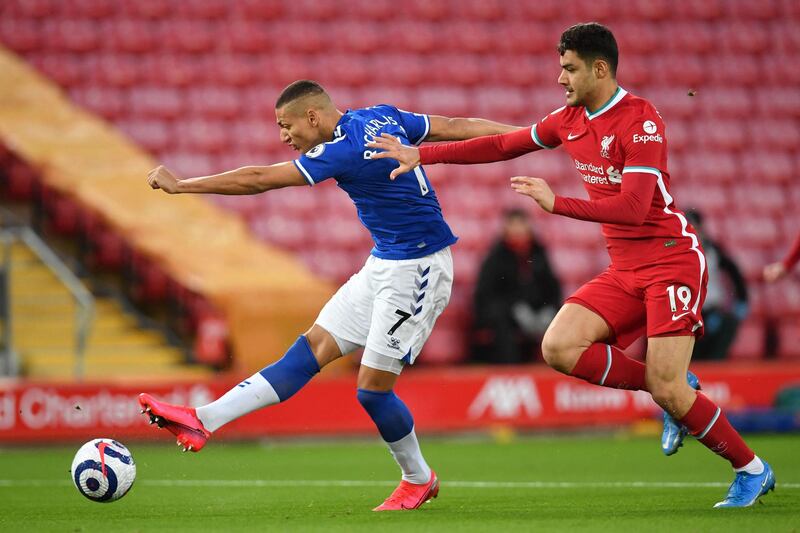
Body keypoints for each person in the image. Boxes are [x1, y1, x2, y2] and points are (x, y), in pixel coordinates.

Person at [368, 23, 774, 508]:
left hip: (671, 261)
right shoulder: (570, 119)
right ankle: (673, 393)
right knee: (559, 347)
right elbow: (502, 145)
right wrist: (423, 155)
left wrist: (555, 202)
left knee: (667, 386)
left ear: (599, 68)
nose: (560, 77)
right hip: (625, 268)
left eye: (569, 68)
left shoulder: (640, 120)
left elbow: (634, 209)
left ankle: (751, 469)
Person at [138, 80, 520, 511]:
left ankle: (418, 479)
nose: (284, 136)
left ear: (313, 117)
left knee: (372, 391)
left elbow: (259, 179)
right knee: (309, 349)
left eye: (286, 126)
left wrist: (183, 185)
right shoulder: (380, 114)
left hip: (419, 270)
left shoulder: (343, 148)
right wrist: (528, 134)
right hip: (383, 264)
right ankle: (202, 420)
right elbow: (454, 125)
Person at [472, 208, 561, 363]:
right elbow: (486, 293)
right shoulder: (496, 256)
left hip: (536, 310)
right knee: (501, 319)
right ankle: (510, 367)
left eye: (521, 225)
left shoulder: (539, 252)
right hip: (506, 311)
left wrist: (549, 308)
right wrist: (516, 308)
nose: (518, 230)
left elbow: (552, 286)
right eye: (514, 225)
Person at [684, 209, 749, 360]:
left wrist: (742, 301)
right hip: (687, 312)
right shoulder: (675, 250)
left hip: (712, 311)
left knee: (728, 323)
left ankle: (716, 367)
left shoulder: (713, 250)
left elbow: (734, 272)